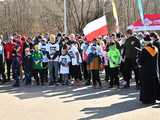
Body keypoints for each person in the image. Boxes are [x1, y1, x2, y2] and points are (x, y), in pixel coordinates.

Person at [139, 35, 160, 104]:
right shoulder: (156, 49)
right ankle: (154, 98)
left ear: (145, 42)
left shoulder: (145, 50)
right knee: (154, 84)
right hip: (154, 70)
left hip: (146, 71)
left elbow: (140, 61)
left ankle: (147, 99)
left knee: (147, 85)